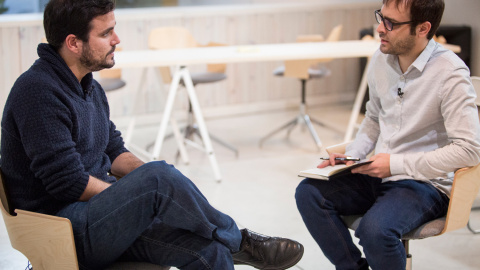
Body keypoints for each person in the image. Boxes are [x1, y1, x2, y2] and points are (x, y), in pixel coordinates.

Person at [0, 0, 304, 269]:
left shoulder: (87, 86)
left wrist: (143, 198)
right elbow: (67, 182)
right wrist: (138, 197)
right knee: (158, 179)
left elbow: (115, 150)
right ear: (73, 43)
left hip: (95, 217)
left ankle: (229, 242)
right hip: (61, 229)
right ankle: (242, 242)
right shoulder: (37, 91)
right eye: (106, 33)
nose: (117, 39)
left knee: (210, 252)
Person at [295, 0, 480, 269]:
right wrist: (352, 156)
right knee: (309, 194)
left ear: (422, 28)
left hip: (426, 184)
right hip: (379, 173)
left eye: (391, 23)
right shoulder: (380, 58)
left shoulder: (450, 73)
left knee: (376, 231)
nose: (380, 28)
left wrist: (394, 164)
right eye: (381, 17)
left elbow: (469, 149)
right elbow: (373, 118)